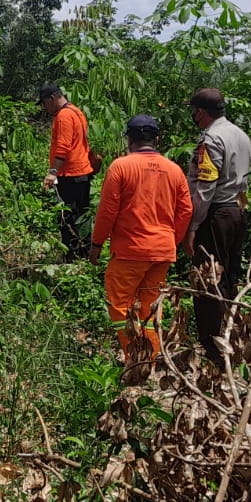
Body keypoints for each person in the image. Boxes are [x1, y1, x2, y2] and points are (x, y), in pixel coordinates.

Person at [89, 114, 194, 371]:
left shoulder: (120, 167)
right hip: (162, 251)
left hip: (129, 251)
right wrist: (172, 239)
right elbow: (186, 211)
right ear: (157, 139)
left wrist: (96, 244)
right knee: (149, 307)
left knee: (119, 306)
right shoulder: (174, 170)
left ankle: (135, 358)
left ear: (129, 139)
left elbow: (107, 211)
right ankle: (150, 355)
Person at [184, 87, 251, 368]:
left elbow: (205, 188)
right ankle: (232, 336)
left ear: (200, 112)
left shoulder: (211, 139)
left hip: (215, 216)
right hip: (238, 212)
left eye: (194, 111)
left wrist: (192, 226)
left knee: (208, 280)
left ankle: (214, 348)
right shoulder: (241, 135)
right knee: (229, 277)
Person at [38, 83, 97, 260]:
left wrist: (52, 172)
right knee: (82, 217)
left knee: (67, 218)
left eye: (44, 103)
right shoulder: (77, 111)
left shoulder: (63, 115)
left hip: (70, 175)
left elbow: (63, 147)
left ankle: (72, 258)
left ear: (52, 98)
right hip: (82, 173)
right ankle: (85, 256)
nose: (44, 108)